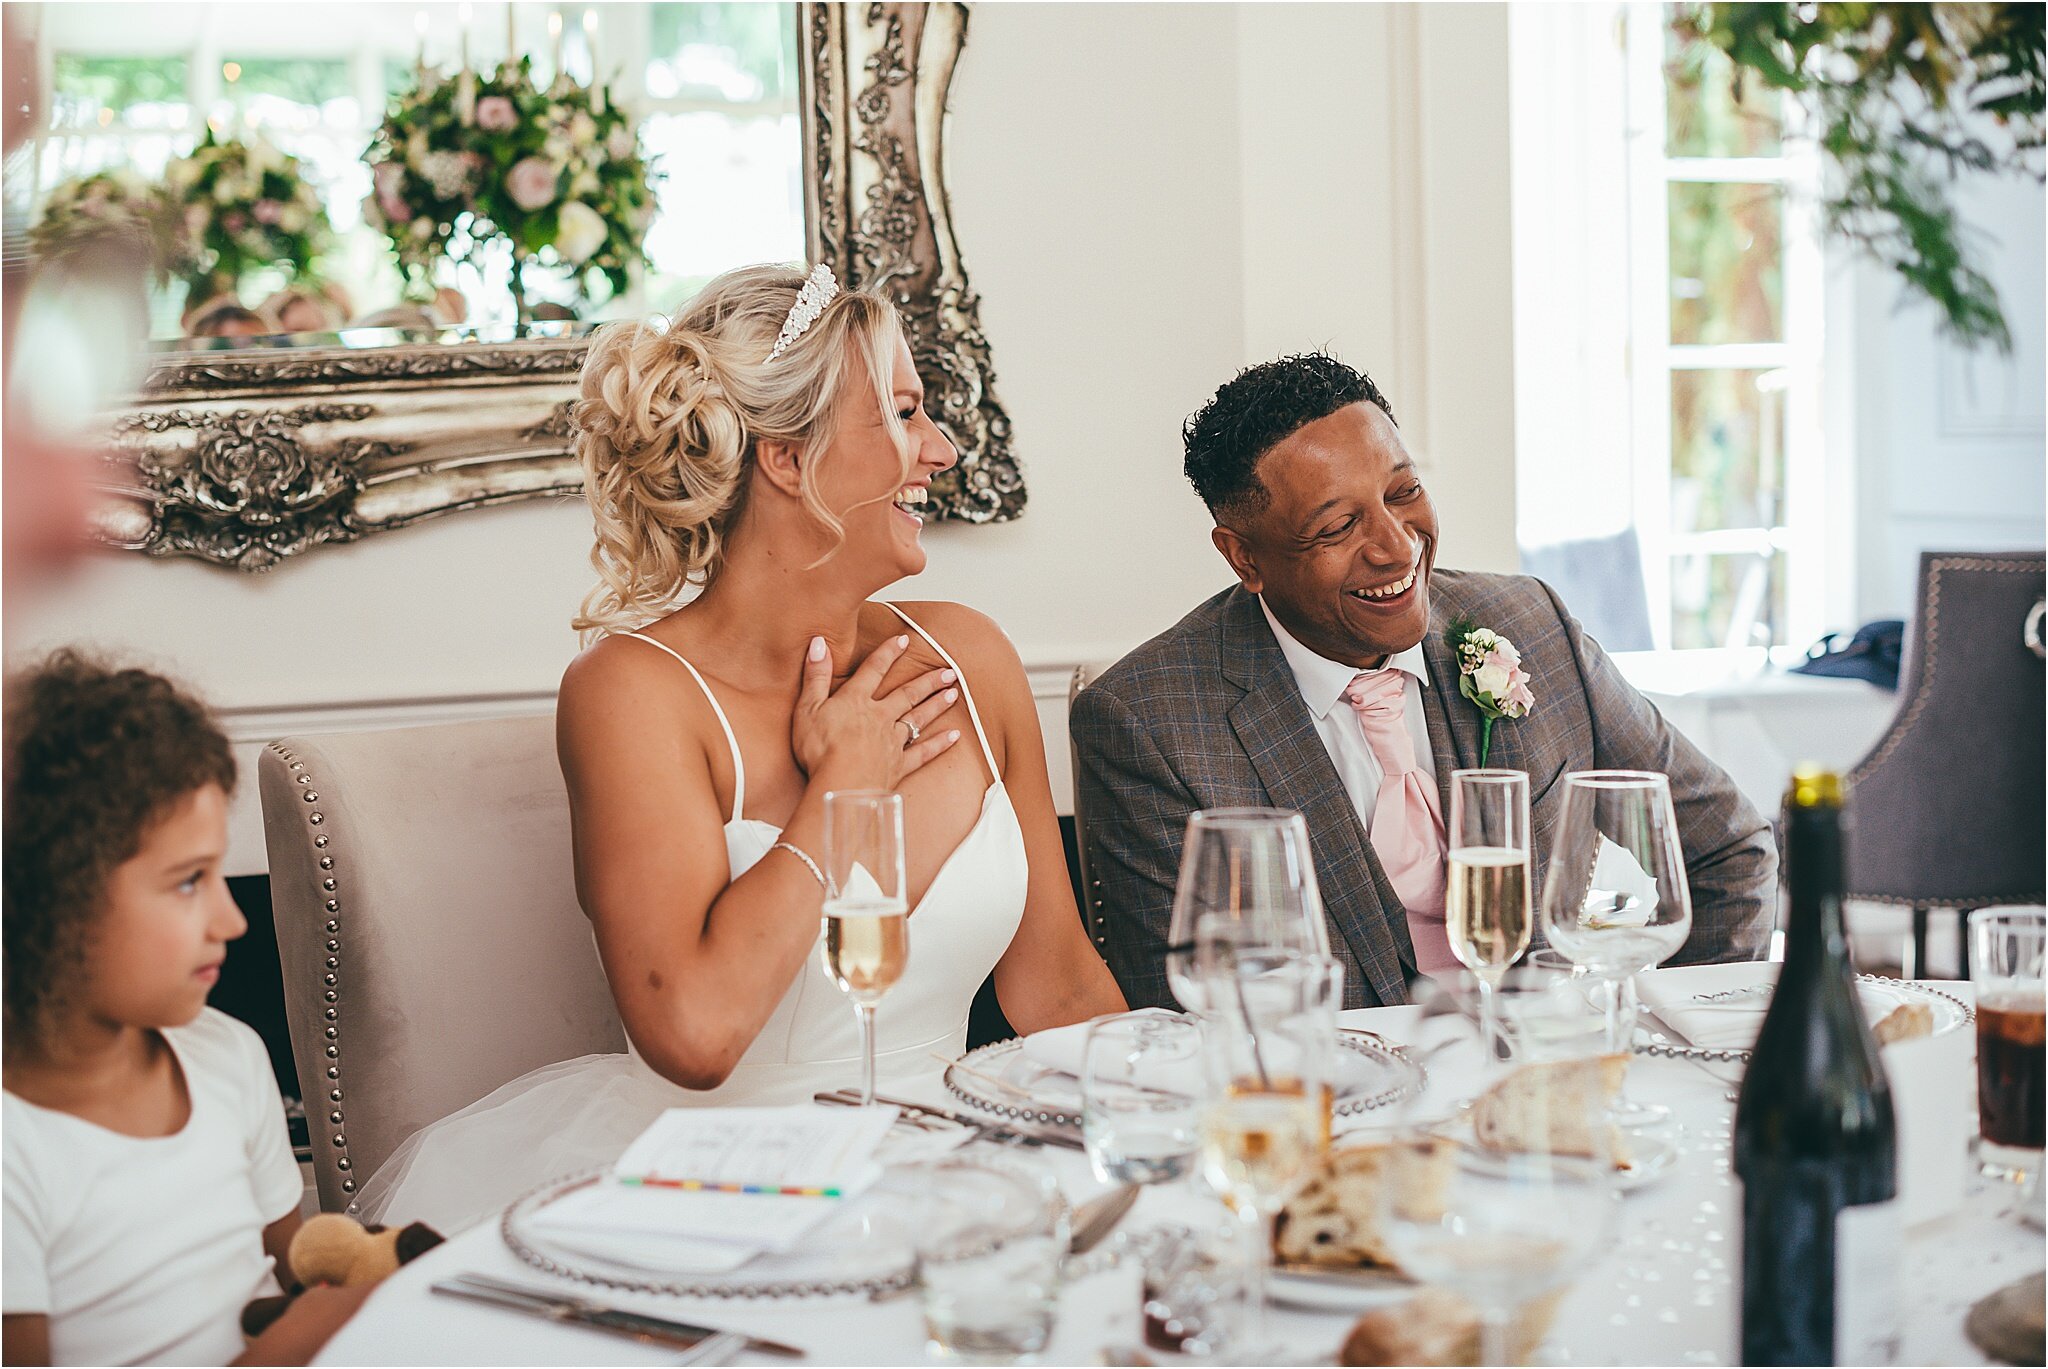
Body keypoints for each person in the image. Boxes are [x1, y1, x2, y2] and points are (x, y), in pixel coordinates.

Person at [356, 263, 1126, 1232]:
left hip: (958, 1181)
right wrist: (842, 790)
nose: (938, 447)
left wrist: (1174, 1135)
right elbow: (697, 1032)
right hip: (727, 1202)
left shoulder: (966, 656)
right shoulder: (631, 695)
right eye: (899, 414)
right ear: (787, 461)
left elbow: (1056, 988)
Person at [1070, 352, 1778, 1010]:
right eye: (1339, 525)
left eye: (1403, 491)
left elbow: (1727, 848)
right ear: (1243, 557)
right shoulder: (1144, 725)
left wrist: (1667, 1043)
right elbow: (1188, 1018)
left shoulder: (1531, 624)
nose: (1397, 545)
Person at [2, 653, 371, 1366]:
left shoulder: (228, 1054)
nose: (233, 920)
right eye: (187, 882)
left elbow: (292, 1281)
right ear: (49, 901)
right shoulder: (16, 1149)